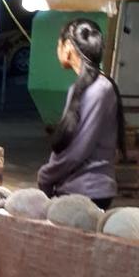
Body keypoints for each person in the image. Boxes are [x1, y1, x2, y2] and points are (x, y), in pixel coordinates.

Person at [37, 17, 126, 210]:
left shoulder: (99, 89)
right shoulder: (85, 87)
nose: (57, 50)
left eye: (58, 44)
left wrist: (46, 175)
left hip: (87, 193)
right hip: (77, 189)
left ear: (68, 46)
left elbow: (78, 150)